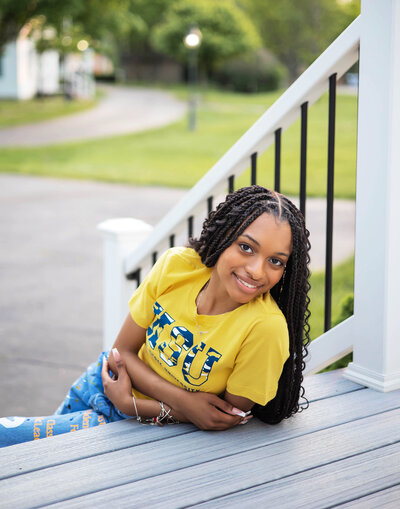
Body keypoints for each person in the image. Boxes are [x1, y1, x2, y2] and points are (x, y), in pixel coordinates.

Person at [0, 185, 311, 447]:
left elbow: (223, 417)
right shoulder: (177, 267)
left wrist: (134, 406)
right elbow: (121, 352)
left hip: (148, 429)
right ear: (224, 236)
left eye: (275, 261)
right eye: (245, 247)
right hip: (102, 384)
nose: (257, 270)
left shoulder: (265, 329)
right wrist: (184, 402)